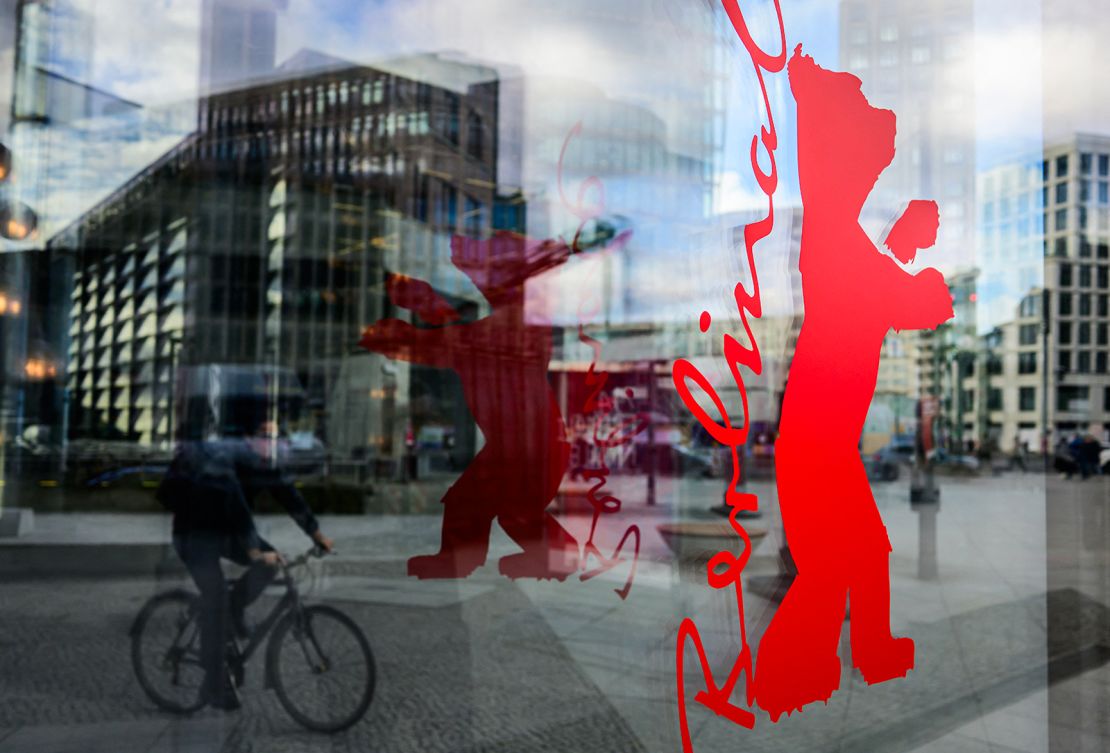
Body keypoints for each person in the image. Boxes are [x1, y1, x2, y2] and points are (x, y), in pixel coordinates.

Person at [158, 412, 333, 710]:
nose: (272, 442)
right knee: (215, 601)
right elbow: (235, 504)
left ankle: (233, 610)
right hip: (195, 533)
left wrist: (316, 534)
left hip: (228, 531)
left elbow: (289, 494)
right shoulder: (224, 458)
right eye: (265, 435)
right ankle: (214, 685)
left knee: (269, 565)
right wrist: (254, 550)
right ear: (248, 439)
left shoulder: (263, 465)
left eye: (276, 436)